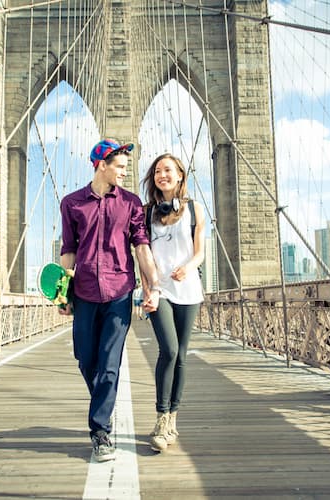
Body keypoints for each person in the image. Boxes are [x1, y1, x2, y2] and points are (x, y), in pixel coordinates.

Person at [59, 138, 161, 462]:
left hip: (119, 291)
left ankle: (100, 431)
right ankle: (103, 403)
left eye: (127, 168)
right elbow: (68, 250)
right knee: (85, 358)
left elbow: (142, 247)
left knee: (109, 363)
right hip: (85, 291)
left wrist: (152, 286)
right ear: (101, 165)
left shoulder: (131, 204)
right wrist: (62, 292)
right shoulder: (72, 204)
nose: (125, 173)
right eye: (120, 167)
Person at [141, 153, 205, 453]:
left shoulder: (194, 209)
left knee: (181, 355)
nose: (161, 175)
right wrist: (148, 289)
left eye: (167, 170)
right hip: (160, 290)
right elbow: (141, 256)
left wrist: (189, 267)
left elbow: (200, 253)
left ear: (180, 175)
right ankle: (161, 418)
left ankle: (173, 418)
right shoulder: (146, 213)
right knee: (168, 349)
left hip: (189, 289)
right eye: (156, 171)